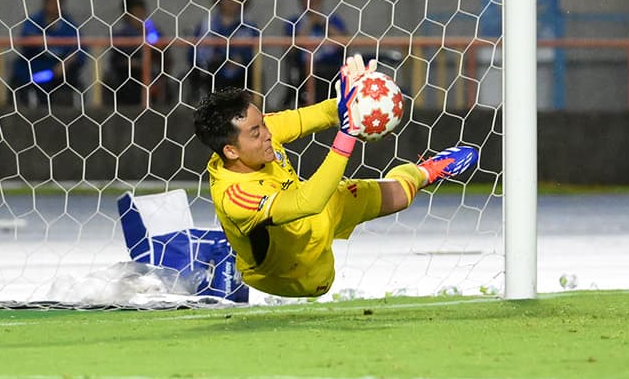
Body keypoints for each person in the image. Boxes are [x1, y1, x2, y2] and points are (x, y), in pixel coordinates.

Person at [193, 55, 478, 299]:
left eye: (264, 124)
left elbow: (314, 116)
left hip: (321, 209)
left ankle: (425, 171)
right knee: (322, 283)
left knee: (401, 196)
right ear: (230, 151)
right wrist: (347, 135)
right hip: (292, 271)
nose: (268, 134)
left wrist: (351, 101)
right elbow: (309, 201)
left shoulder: (258, 132)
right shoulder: (236, 197)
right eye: (256, 132)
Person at [281, 0, 350, 108]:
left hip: (332, 67)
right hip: (305, 70)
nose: (310, 1)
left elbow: (345, 42)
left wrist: (323, 23)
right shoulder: (294, 22)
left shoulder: (333, 19)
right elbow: (290, 50)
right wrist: (309, 23)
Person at [11, 0, 86, 108]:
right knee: (23, 76)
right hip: (36, 68)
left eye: (59, 2)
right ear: (45, 2)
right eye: (52, 1)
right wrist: (42, 40)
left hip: (59, 70)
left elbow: (79, 49)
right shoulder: (34, 21)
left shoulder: (69, 24)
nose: (56, 6)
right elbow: (26, 39)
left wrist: (65, 63)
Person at [189, 0, 260, 99]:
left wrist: (241, 59)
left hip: (241, 70)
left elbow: (255, 51)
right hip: (213, 68)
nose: (231, 2)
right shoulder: (206, 25)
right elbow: (194, 51)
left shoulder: (249, 26)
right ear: (219, 0)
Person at [105, 0, 164, 106]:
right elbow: (117, 59)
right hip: (126, 78)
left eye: (142, 12)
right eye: (136, 13)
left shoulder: (151, 31)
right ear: (126, 15)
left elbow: (161, 50)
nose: (140, 17)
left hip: (151, 76)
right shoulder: (120, 35)